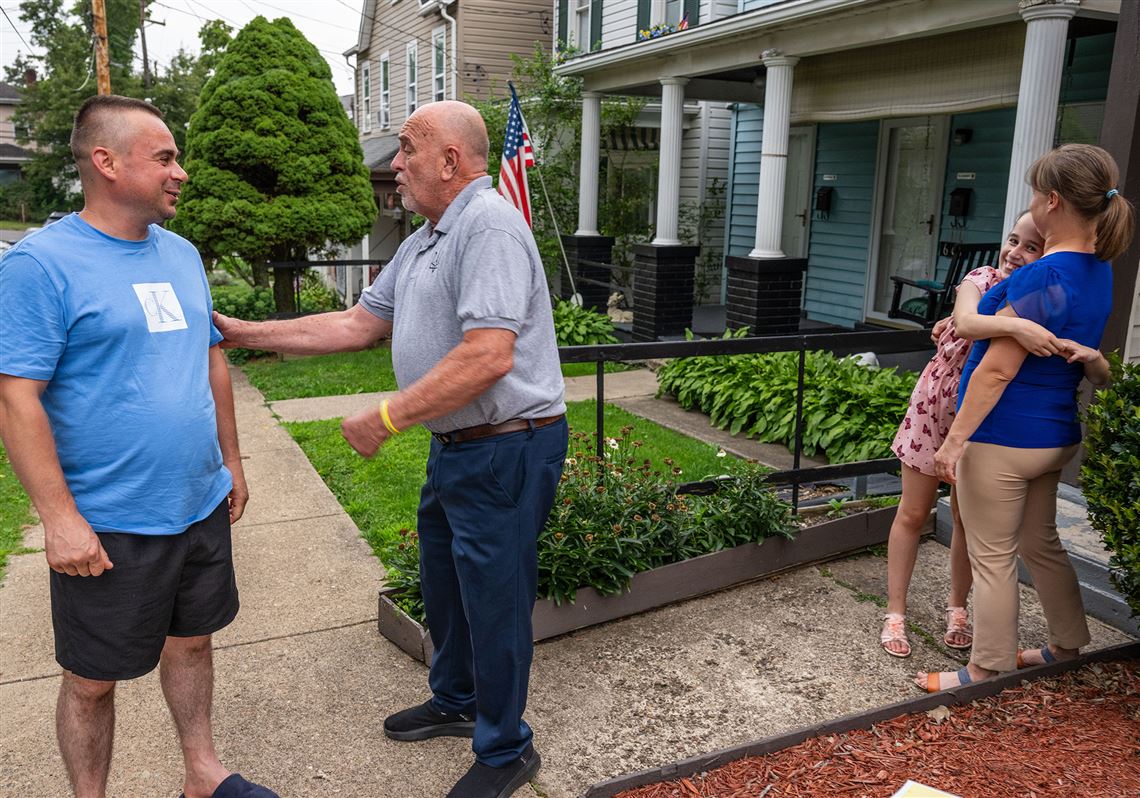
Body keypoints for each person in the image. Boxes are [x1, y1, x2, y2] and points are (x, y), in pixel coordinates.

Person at [213, 100, 568, 798]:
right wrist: (242, 331)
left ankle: (506, 750)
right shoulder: (427, 238)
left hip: (505, 447)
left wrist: (388, 416)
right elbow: (355, 323)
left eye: (408, 149)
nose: (395, 164)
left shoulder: (489, 226)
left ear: (451, 161)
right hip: (459, 444)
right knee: (445, 581)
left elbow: (489, 355)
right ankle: (457, 698)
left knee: (495, 600)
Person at [0, 96, 276, 798]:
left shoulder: (181, 253)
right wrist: (60, 519)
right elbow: (16, 396)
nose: (179, 172)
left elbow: (210, 358)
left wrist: (232, 461)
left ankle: (201, 773)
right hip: (110, 519)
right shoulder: (41, 265)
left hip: (197, 500)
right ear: (106, 161)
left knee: (194, 639)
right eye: (165, 157)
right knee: (92, 681)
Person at [920, 144, 1130, 692]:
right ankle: (1066, 644)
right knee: (1042, 543)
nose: (1031, 202)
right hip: (1055, 434)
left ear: (1052, 201)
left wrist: (954, 442)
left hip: (1003, 437)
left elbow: (995, 373)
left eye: (1036, 193)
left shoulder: (1043, 275)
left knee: (992, 557)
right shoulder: (1097, 270)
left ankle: (983, 668)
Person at [881, 212, 1056, 658]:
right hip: (932, 409)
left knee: (964, 521)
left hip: (979, 420)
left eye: (1031, 246)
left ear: (1050, 252)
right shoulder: (982, 277)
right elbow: (967, 320)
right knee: (913, 513)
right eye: (1013, 240)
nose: (1016, 252)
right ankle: (895, 611)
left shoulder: (1040, 295)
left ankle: (957, 607)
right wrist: (1017, 325)